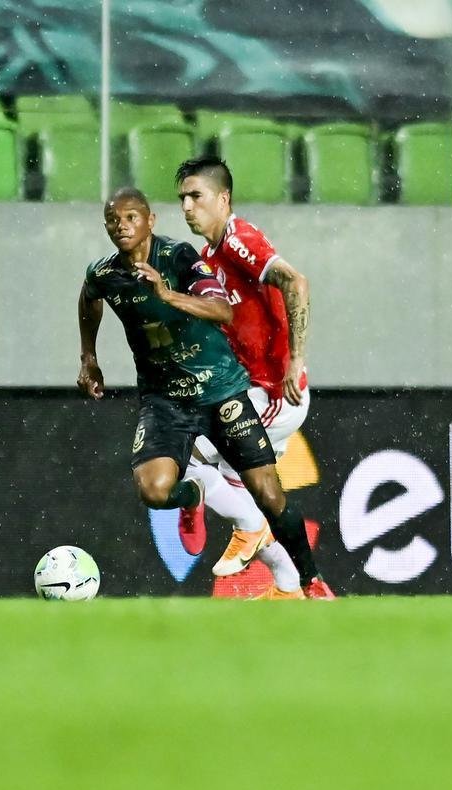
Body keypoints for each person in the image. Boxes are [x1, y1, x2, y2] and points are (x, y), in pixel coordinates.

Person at [77, 186, 317, 599]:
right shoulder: (104, 272)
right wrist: (88, 357)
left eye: (131, 217)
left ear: (151, 221)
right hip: (165, 401)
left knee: (268, 492)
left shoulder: (180, 257)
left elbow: (222, 309)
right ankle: (197, 498)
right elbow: (90, 297)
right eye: (113, 220)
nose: (122, 226)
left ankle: (310, 583)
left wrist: (167, 294)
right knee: (154, 489)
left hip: (221, 392)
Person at [175, 155, 334, 600]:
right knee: (255, 489)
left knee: (198, 458)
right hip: (251, 392)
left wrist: (294, 362)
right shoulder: (208, 257)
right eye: (182, 198)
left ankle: (249, 529)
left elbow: (295, 282)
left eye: (196, 196)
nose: (187, 206)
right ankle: (296, 585)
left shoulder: (236, 239)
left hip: (274, 393)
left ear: (222, 199)